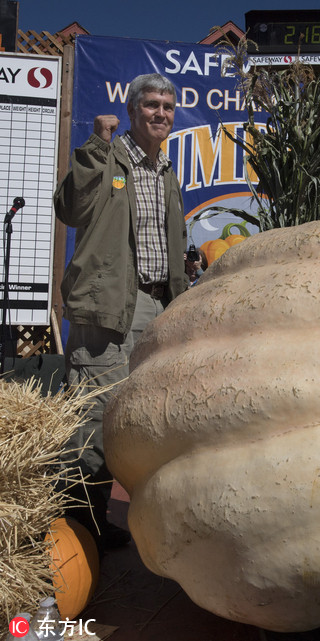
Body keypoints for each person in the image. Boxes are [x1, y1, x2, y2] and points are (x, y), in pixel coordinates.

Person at [54, 73, 189, 550]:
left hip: (156, 305)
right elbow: (69, 208)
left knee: (141, 416)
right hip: (110, 303)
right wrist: (93, 146)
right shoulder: (106, 156)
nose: (160, 113)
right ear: (132, 111)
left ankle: (110, 520)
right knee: (96, 415)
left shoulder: (167, 172)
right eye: (151, 105)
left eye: (168, 107)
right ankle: (76, 530)